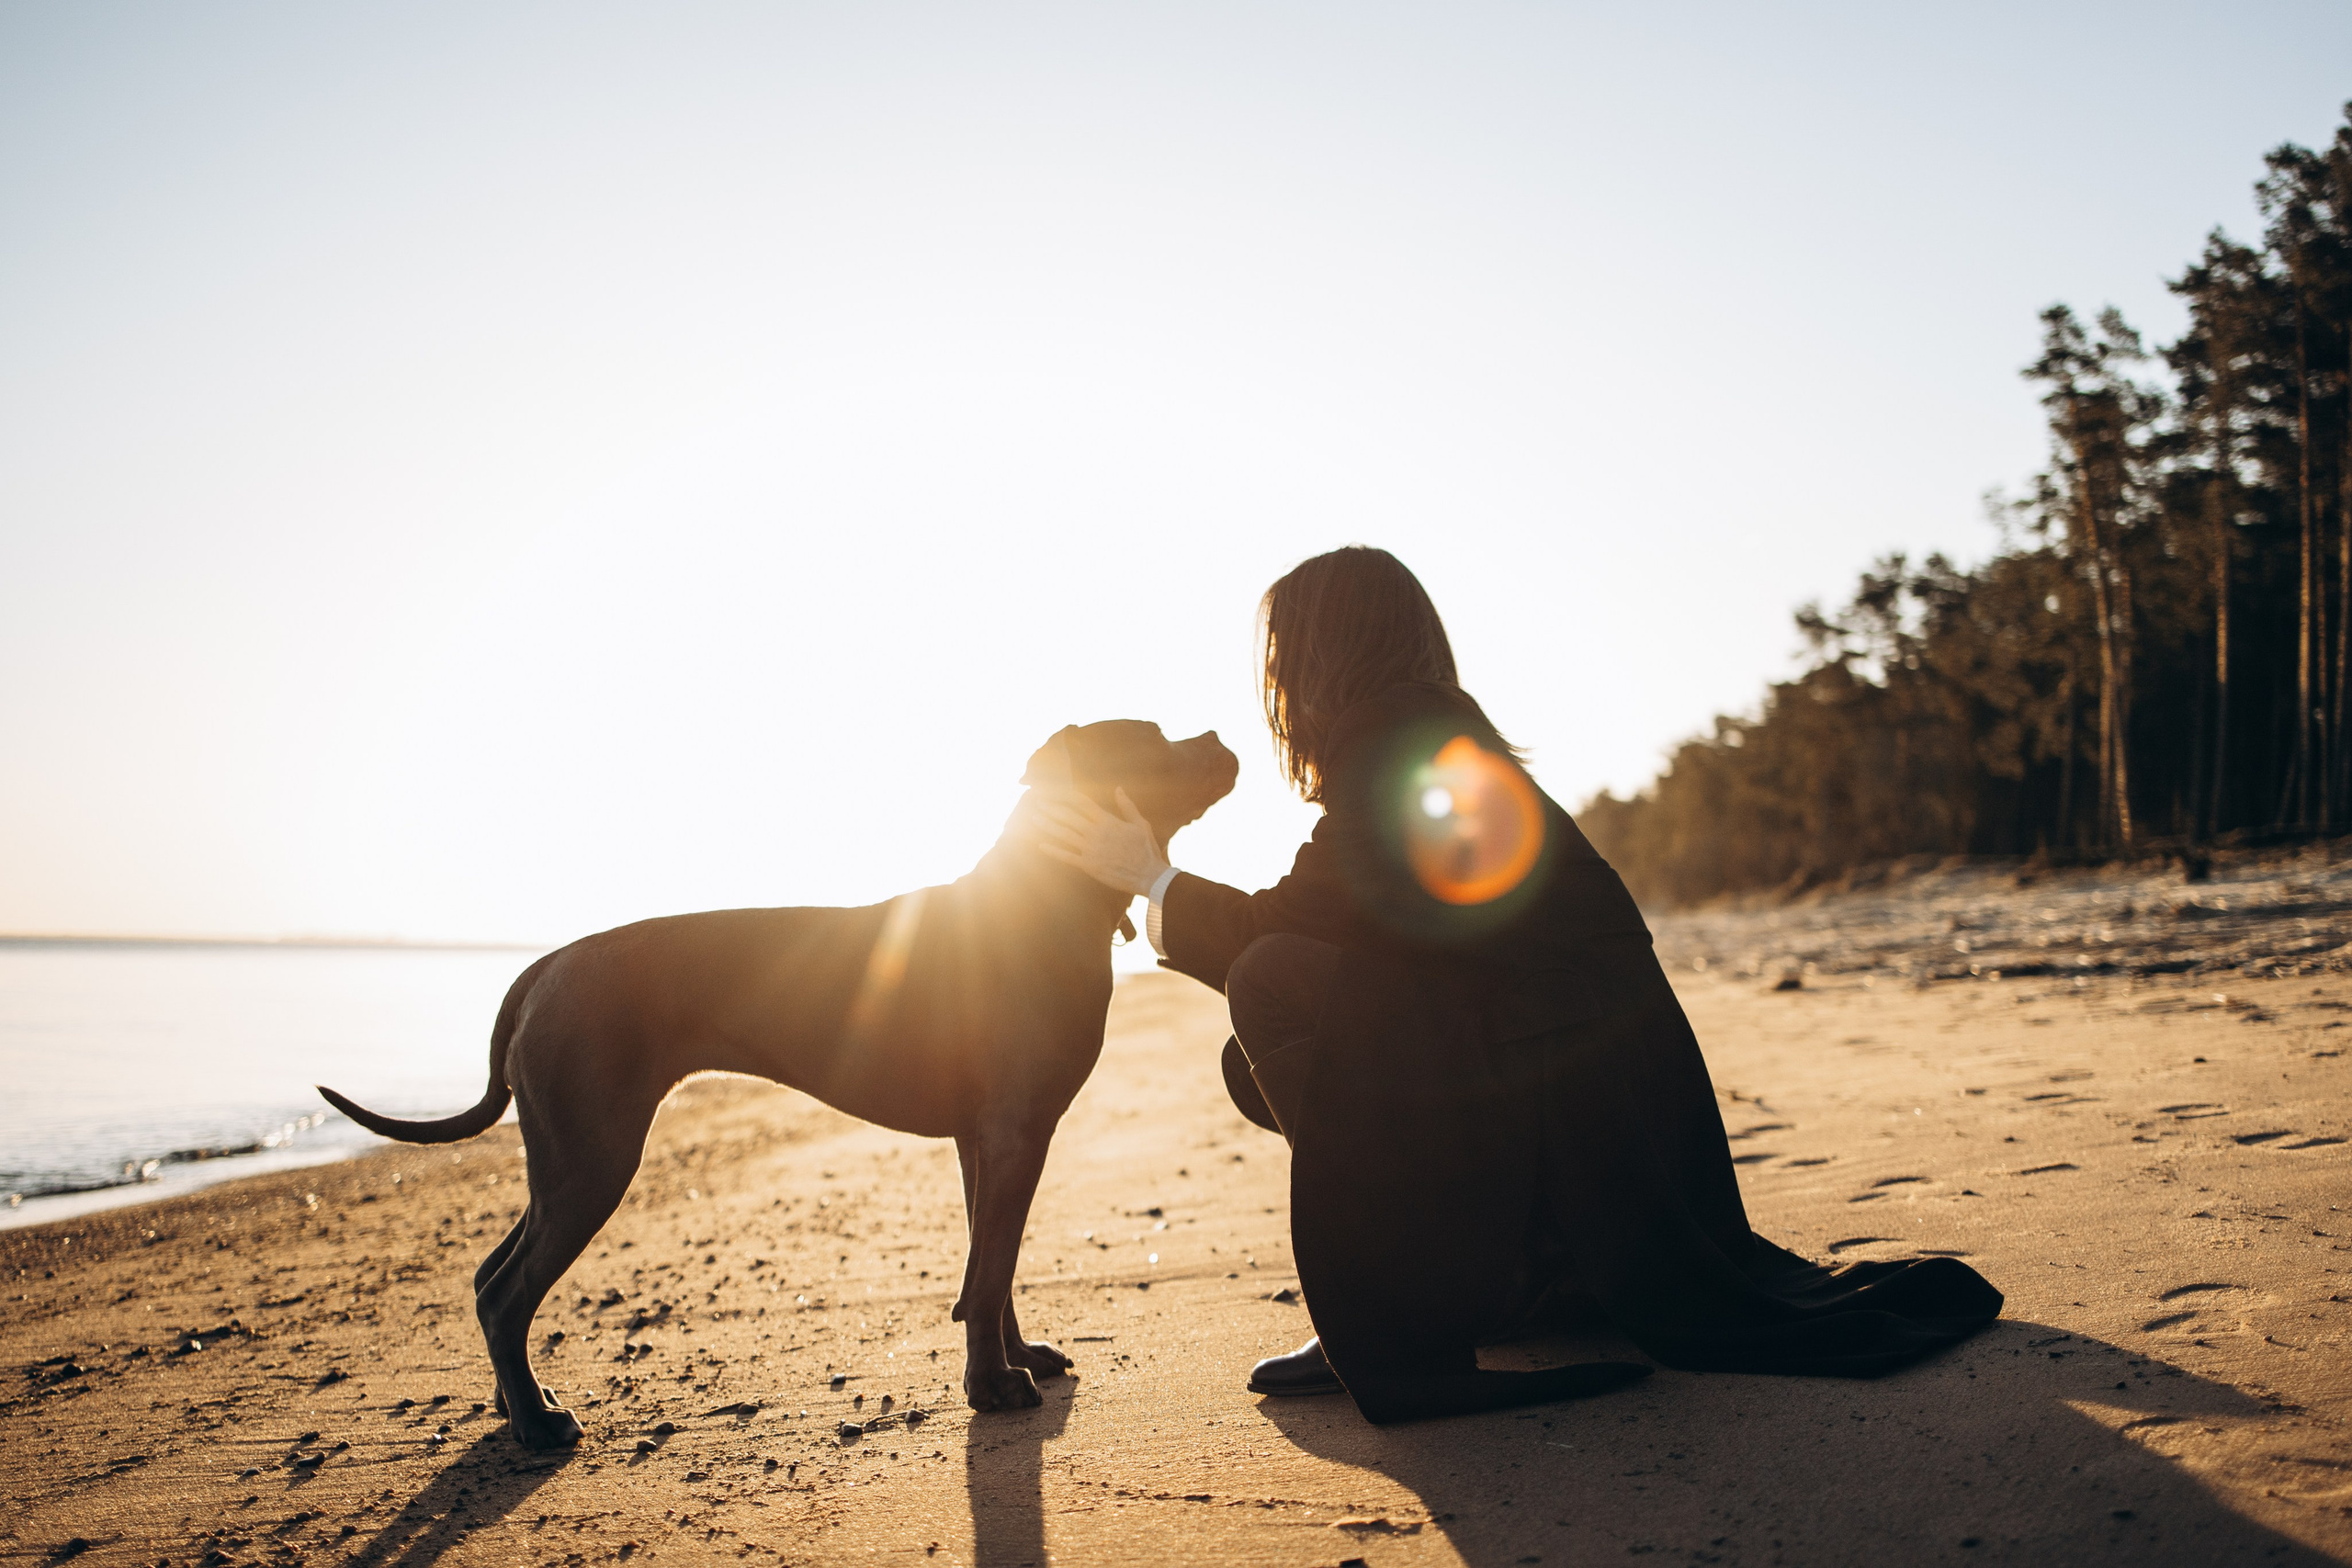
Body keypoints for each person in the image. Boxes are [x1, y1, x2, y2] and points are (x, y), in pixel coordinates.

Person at [1035, 546, 2001, 1424]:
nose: (1276, 683)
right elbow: (1352, 932)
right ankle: (1538, 1274)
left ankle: (1411, 1301)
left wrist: (1147, 874)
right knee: (1258, 1049)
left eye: (1283, 655)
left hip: (1576, 1122)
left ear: (1321, 657)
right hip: (1607, 1136)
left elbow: (1276, 938)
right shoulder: (1432, 741)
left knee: (1269, 981)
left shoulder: (1394, 752)